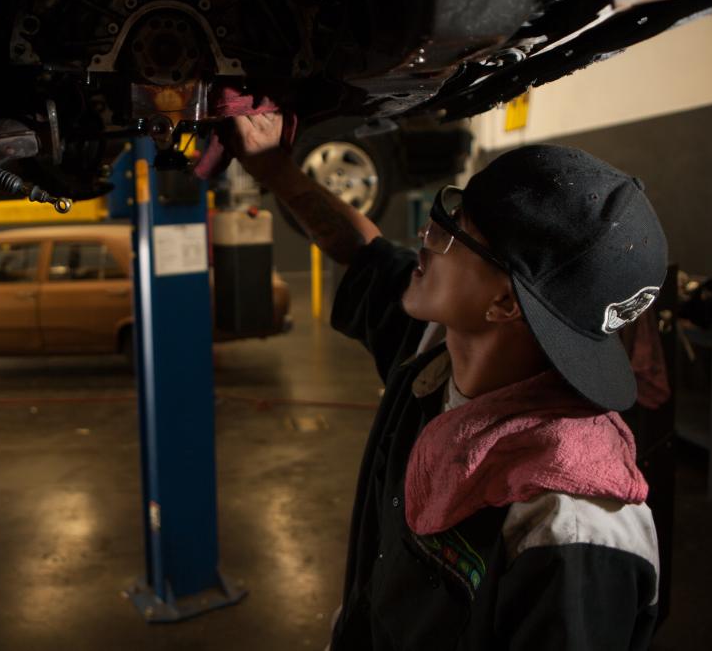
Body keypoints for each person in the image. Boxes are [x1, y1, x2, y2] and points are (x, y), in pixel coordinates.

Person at [223, 113, 665, 650]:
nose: (425, 237)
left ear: (505, 301)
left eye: (453, 230)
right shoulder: (440, 352)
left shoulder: (569, 531)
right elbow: (362, 252)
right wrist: (271, 164)